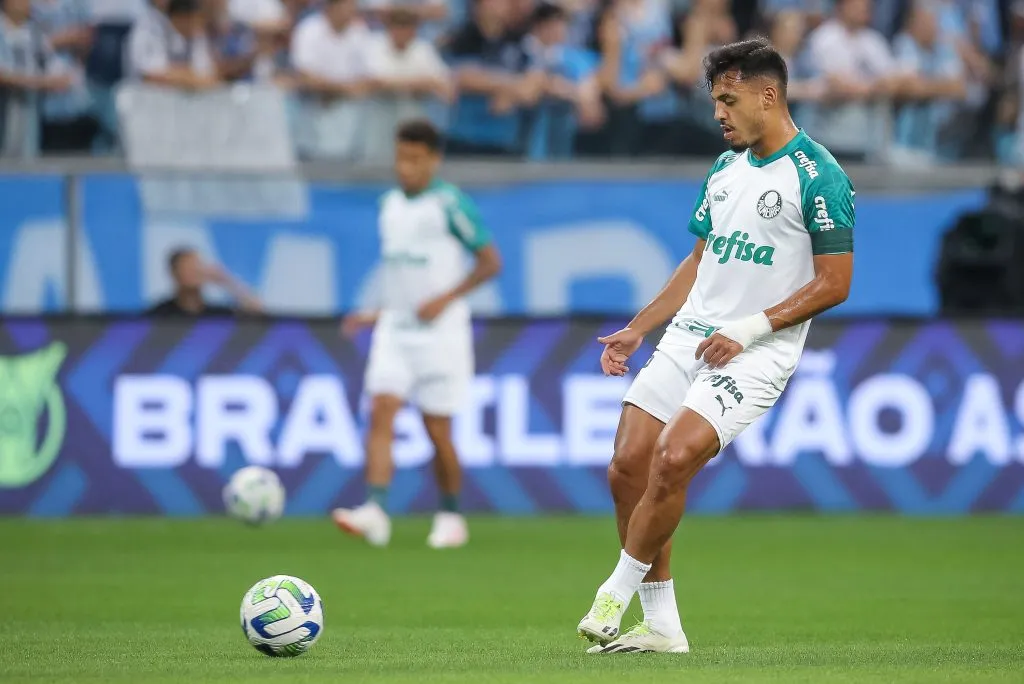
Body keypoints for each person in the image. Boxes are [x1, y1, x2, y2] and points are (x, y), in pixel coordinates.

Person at [576, 37, 854, 654]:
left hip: (758, 350)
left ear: (768, 94)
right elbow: (701, 258)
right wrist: (640, 326)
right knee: (628, 464)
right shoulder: (725, 170)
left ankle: (613, 595)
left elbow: (835, 283)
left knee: (674, 459)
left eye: (728, 100)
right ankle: (664, 626)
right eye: (715, 102)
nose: (719, 113)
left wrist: (751, 329)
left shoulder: (819, 176)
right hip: (691, 337)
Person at [332, 119, 502, 549]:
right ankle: (375, 510)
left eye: (414, 159)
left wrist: (446, 299)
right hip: (395, 329)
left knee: (437, 429)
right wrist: (376, 313)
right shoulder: (389, 205)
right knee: (382, 411)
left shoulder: (450, 205)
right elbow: (400, 274)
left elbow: (489, 262)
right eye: (400, 158)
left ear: (433, 159)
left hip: (441, 333)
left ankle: (450, 513)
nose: (405, 167)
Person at [147, 247, 263, 315]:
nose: (194, 272)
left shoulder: (216, 315)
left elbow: (256, 311)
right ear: (174, 273)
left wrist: (227, 281)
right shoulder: (160, 314)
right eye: (187, 268)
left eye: (197, 267)